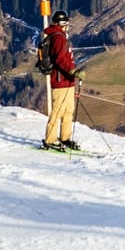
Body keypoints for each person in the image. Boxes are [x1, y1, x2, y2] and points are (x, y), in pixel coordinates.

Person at [39, 10, 81, 151]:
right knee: (57, 111)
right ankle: (50, 139)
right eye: (66, 23)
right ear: (62, 24)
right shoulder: (58, 37)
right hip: (61, 80)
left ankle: (65, 137)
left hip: (68, 80)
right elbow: (59, 59)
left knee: (68, 110)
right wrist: (72, 70)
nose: (67, 26)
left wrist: (72, 73)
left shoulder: (61, 36)